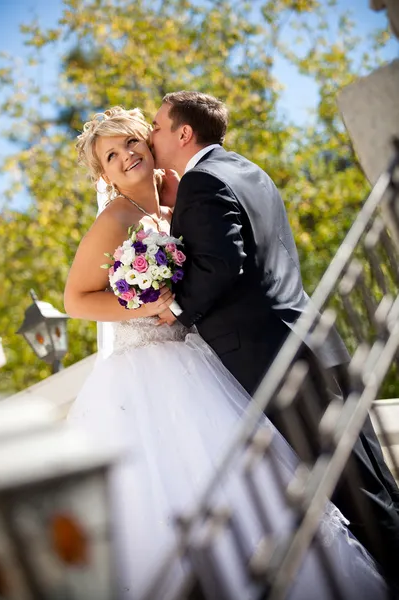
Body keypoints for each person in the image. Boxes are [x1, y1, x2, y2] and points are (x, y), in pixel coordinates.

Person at [64, 107, 387, 600]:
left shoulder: (176, 209)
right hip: (150, 370)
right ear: (103, 175)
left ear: (149, 144)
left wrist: (174, 303)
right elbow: (75, 300)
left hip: (203, 358)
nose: (126, 156)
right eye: (111, 156)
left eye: (131, 142)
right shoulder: (116, 218)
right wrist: (148, 304)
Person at [150, 91, 399, 590]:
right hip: (313, 340)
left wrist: (173, 308)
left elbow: (222, 263)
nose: (151, 137)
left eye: (156, 127)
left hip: (277, 359)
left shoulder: (201, 183)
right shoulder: (247, 171)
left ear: (183, 133)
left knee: (353, 490)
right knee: (373, 477)